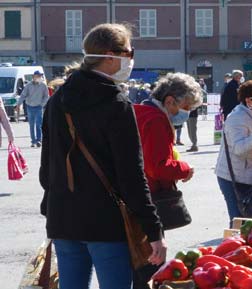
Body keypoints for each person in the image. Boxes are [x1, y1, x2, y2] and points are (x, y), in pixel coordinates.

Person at [39, 23, 166, 289]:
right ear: (111, 56)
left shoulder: (57, 99)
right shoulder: (115, 103)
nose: (131, 60)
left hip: (63, 215)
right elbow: (131, 174)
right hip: (104, 220)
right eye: (129, 53)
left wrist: (52, 205)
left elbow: (46, 166)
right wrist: (154, 230)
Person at [132, 73, 201, 288]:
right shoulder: (156, 120)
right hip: (149, 196)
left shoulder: (139, 111)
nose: (187, 113)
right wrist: (184, 169)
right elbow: (157, 167)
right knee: (151, 262)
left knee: (136, 263)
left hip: (131, 195)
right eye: (186, 107)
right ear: (170, 101)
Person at [215, 80, 252, 226]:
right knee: (239, 221)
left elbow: (251, 145)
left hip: (248, 175)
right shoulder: (237, 117)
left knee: (249, 220)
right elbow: (239, 148)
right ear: (249, 100)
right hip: (233, 177)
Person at [16, 70, 49, 147]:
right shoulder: (28, 85)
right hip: (30, 107)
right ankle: (33, 141)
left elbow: (46, 96)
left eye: (40, 76)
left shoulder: (43, 85)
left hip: (38, 107)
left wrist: (42, 104)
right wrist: (18, 104)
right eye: (38, 76)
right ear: (34, 77)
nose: (39, 77)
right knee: (31, 125)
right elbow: (23, 95)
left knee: (38, 125)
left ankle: (39, 140)